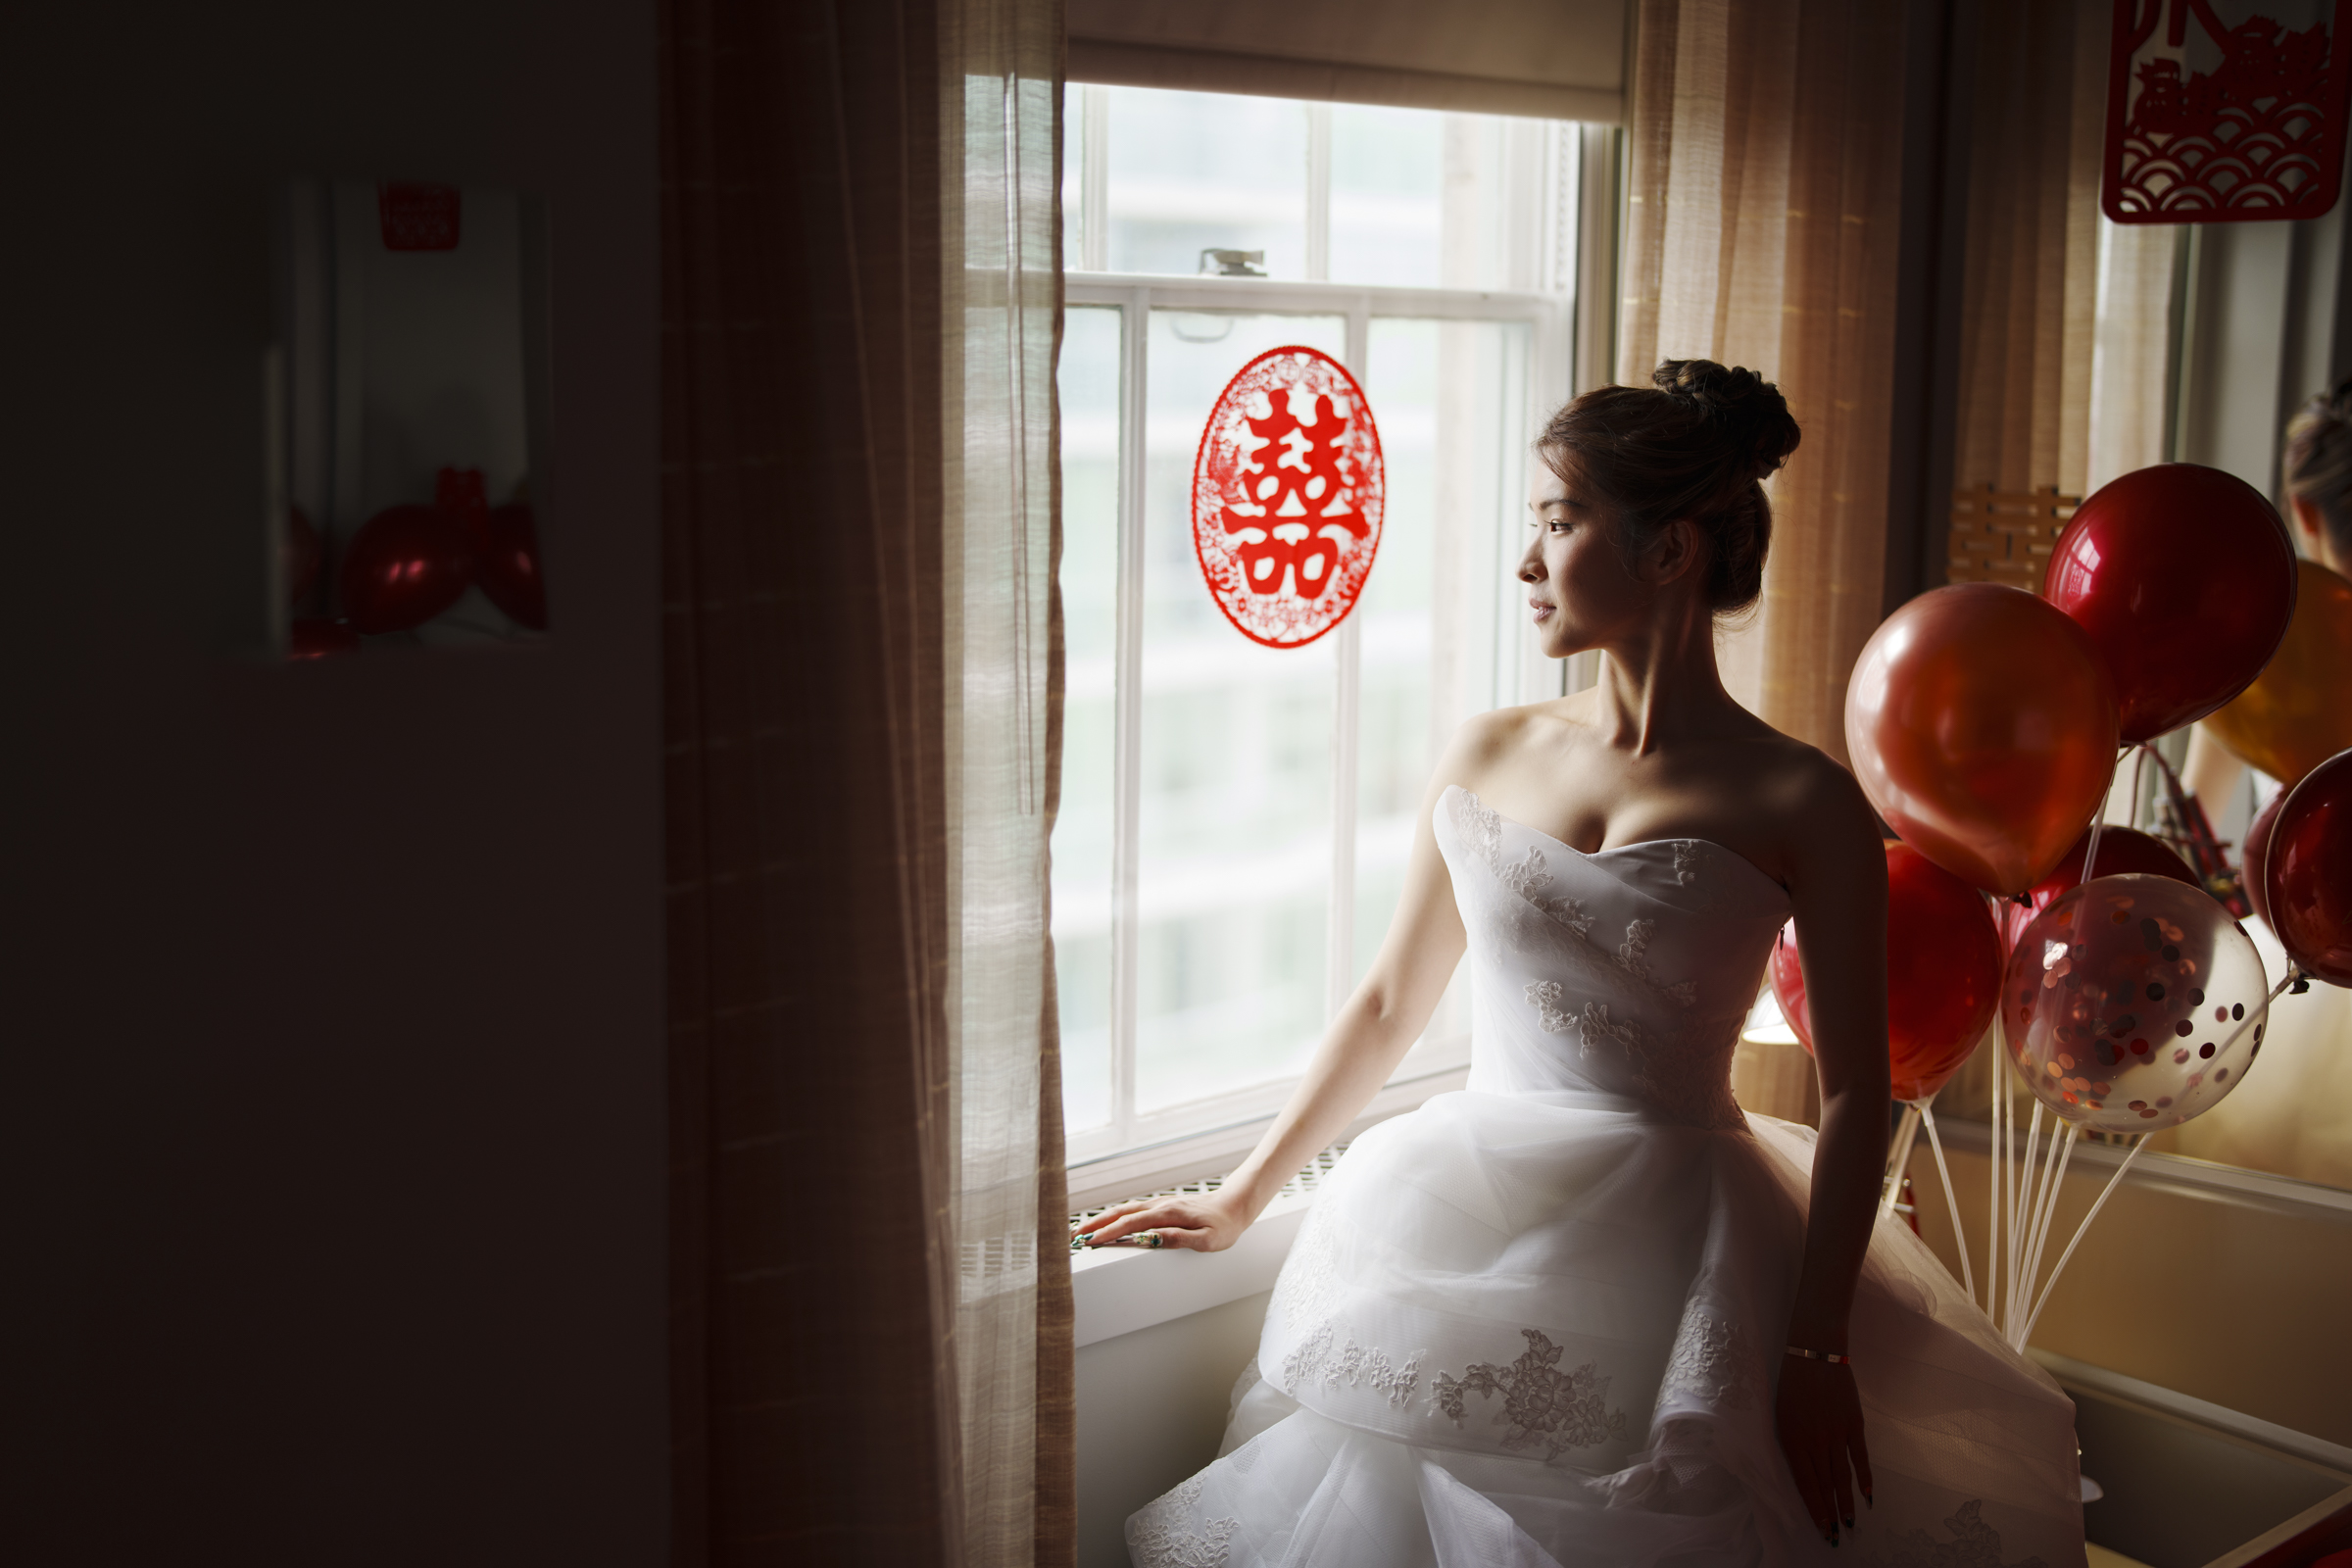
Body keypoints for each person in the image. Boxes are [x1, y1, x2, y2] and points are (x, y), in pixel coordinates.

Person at [1076, 361, 2088, 1567]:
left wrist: (1817, 1343)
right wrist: (1242, 1193)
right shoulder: (1489, 748)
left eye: (1558, 525)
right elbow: (1393, 999)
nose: (1526, 564)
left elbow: (1856, 1088)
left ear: (1669, 553)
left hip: (1691, 1250)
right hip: (1465, 1221)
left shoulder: (1800, 796)